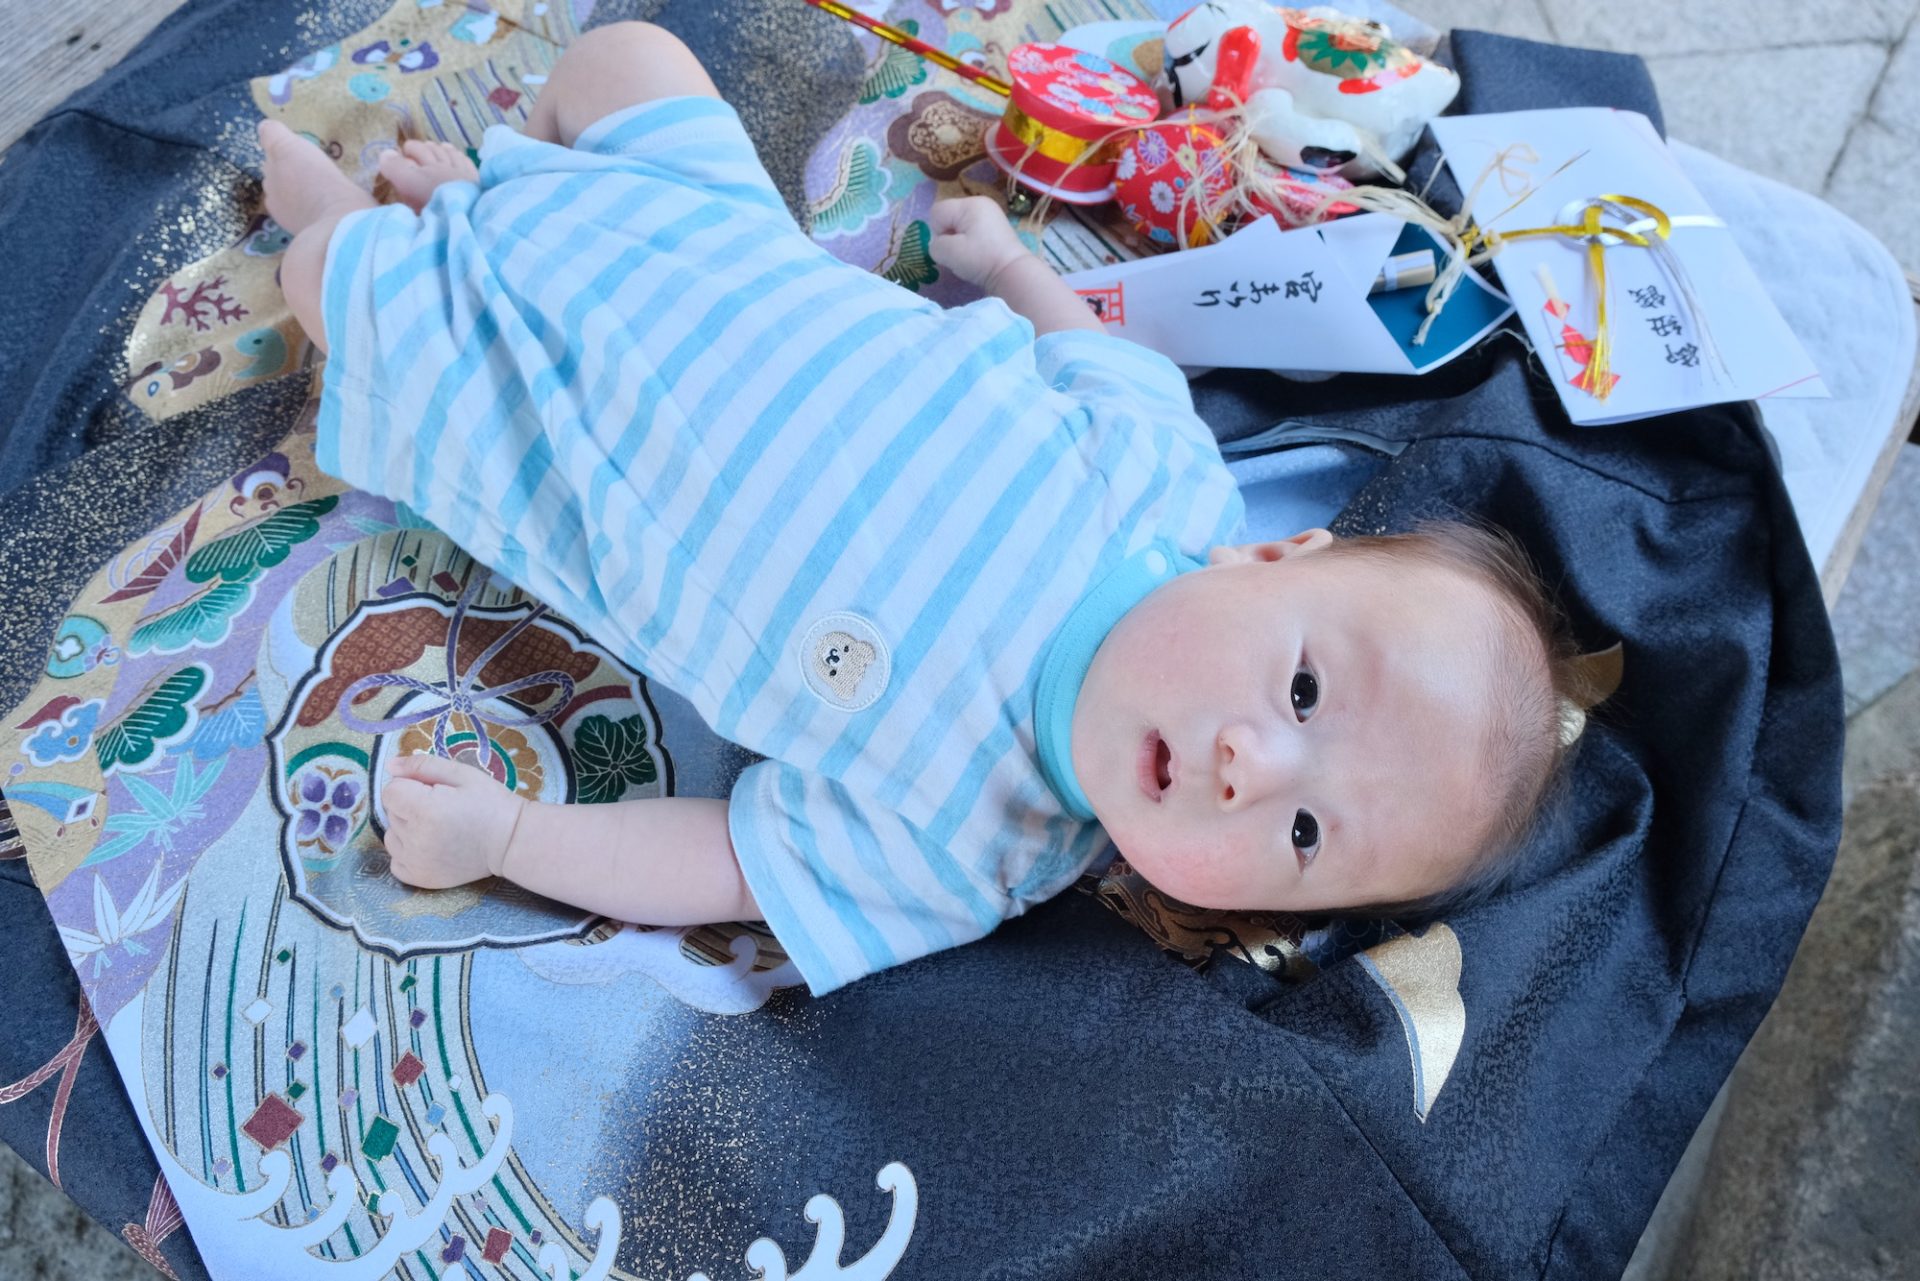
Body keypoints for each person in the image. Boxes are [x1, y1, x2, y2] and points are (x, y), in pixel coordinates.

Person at [255, 21, 1584, 996]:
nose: (1254, 771)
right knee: (627, 63)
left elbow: (727, 860)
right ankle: (483, 199)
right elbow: (1091, 349)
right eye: (1302, 691)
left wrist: (515, 837)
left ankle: (383, 226)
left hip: (561, 436)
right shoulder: (1167, 481)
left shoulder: (975, 848)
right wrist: (1010, 263)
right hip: (716, 252)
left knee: (327, 274)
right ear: (1273, 555)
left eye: (1305, 836)